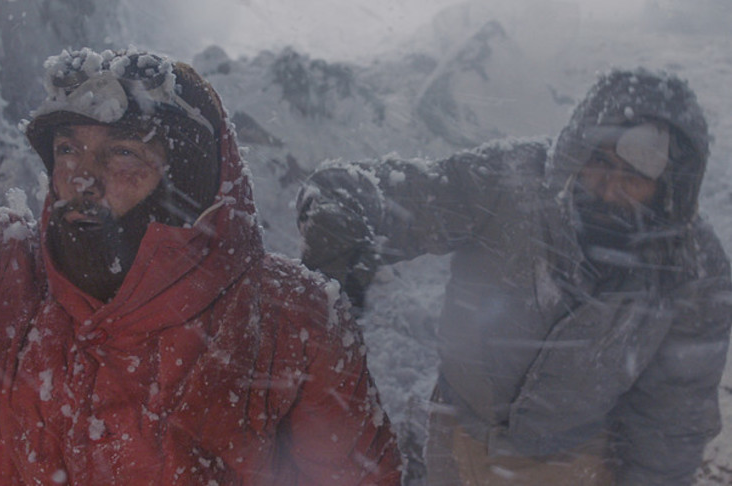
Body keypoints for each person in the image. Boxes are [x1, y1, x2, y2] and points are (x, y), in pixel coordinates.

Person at [0, 47, 402, 485]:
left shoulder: (294, 319)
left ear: (186, 178)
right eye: (68, 148)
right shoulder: (9, 268)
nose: (82, 177)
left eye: (123, 152)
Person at [296, 68, 732, 485]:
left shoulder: (693, 268)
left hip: (579, 460)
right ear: (575, 149)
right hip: (457, 434)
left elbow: (673, 415)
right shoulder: (510, 181)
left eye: (635, 175)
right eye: (597, 159)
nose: (608, 185)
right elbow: (402, 196)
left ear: (671, 185)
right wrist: (343, 208)